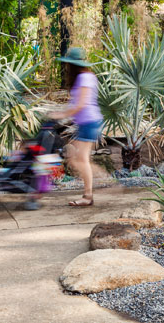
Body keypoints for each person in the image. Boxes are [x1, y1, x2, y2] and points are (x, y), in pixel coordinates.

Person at [51, 47, 103, 207]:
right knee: (76, 159)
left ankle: (89, 195)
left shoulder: (85, 78)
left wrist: (60, 115)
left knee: (79, 159)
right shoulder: (86, 76)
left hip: (89, 122)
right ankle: (100, 179)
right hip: (86, 122)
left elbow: (80, 105)